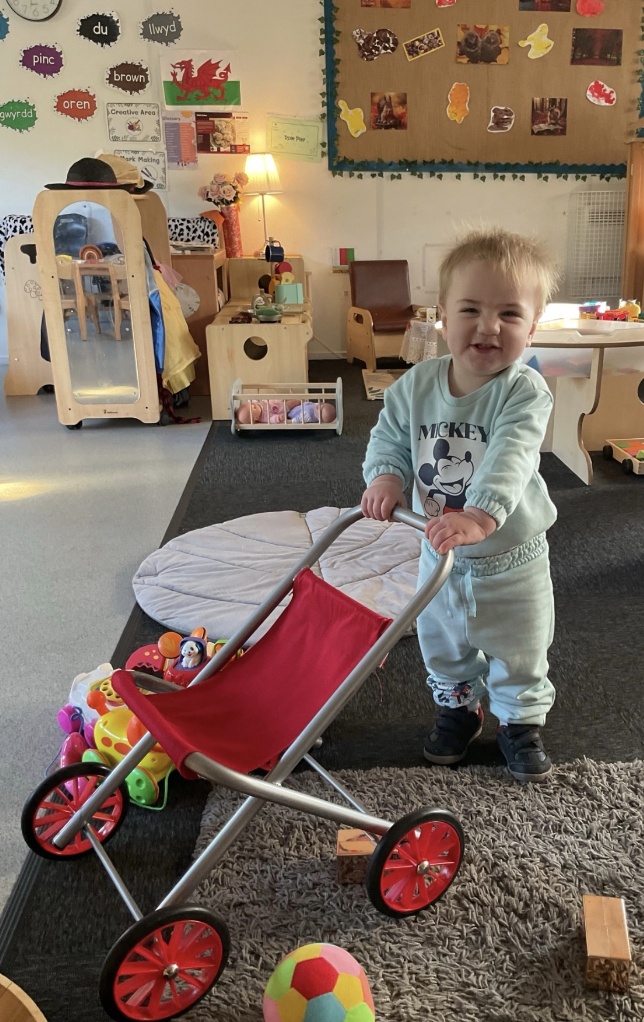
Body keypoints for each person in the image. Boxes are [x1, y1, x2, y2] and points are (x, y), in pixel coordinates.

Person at [361, 227, 559, 782]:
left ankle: (519, 723)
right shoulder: (415, 385)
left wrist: (481, 513)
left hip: (512, 558)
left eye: (509, 314)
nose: (488, 327)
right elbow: (389, 437)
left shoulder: (523, 391)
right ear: (442, 318)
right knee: (442, 642)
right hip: (440, 554)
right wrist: (387, 477)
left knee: (520, 648)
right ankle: (458, 709)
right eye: (471, 310)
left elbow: (511, 456)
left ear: (532, 329)